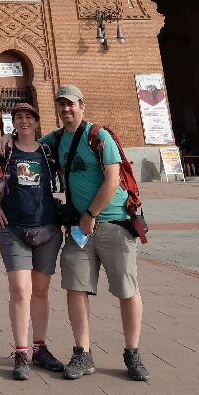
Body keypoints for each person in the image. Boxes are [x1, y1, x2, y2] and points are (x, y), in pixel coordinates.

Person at [40, 85, 149, 383]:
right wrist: (5, 142)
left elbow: (113, 180)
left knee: (127, 290)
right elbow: (29, 145)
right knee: (75, 287)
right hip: (79, 228)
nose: (66, 110)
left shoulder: (99, 136)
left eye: (71, 104)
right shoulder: (57, 138)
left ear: (82, 106)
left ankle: (132, 353)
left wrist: (91, 215)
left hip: (113, 222)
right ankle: (82, 352)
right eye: (61, 105)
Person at [0, 102, 65, 380]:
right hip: (13, 228)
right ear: (12, 122)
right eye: (18, 118)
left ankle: (40, 348)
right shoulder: (5, 149)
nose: (24, 121)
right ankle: (21, 351)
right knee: (19, 289)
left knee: (40, 291)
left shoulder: (49, 150)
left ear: (37, 122)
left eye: (29, 117)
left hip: (47, 228)